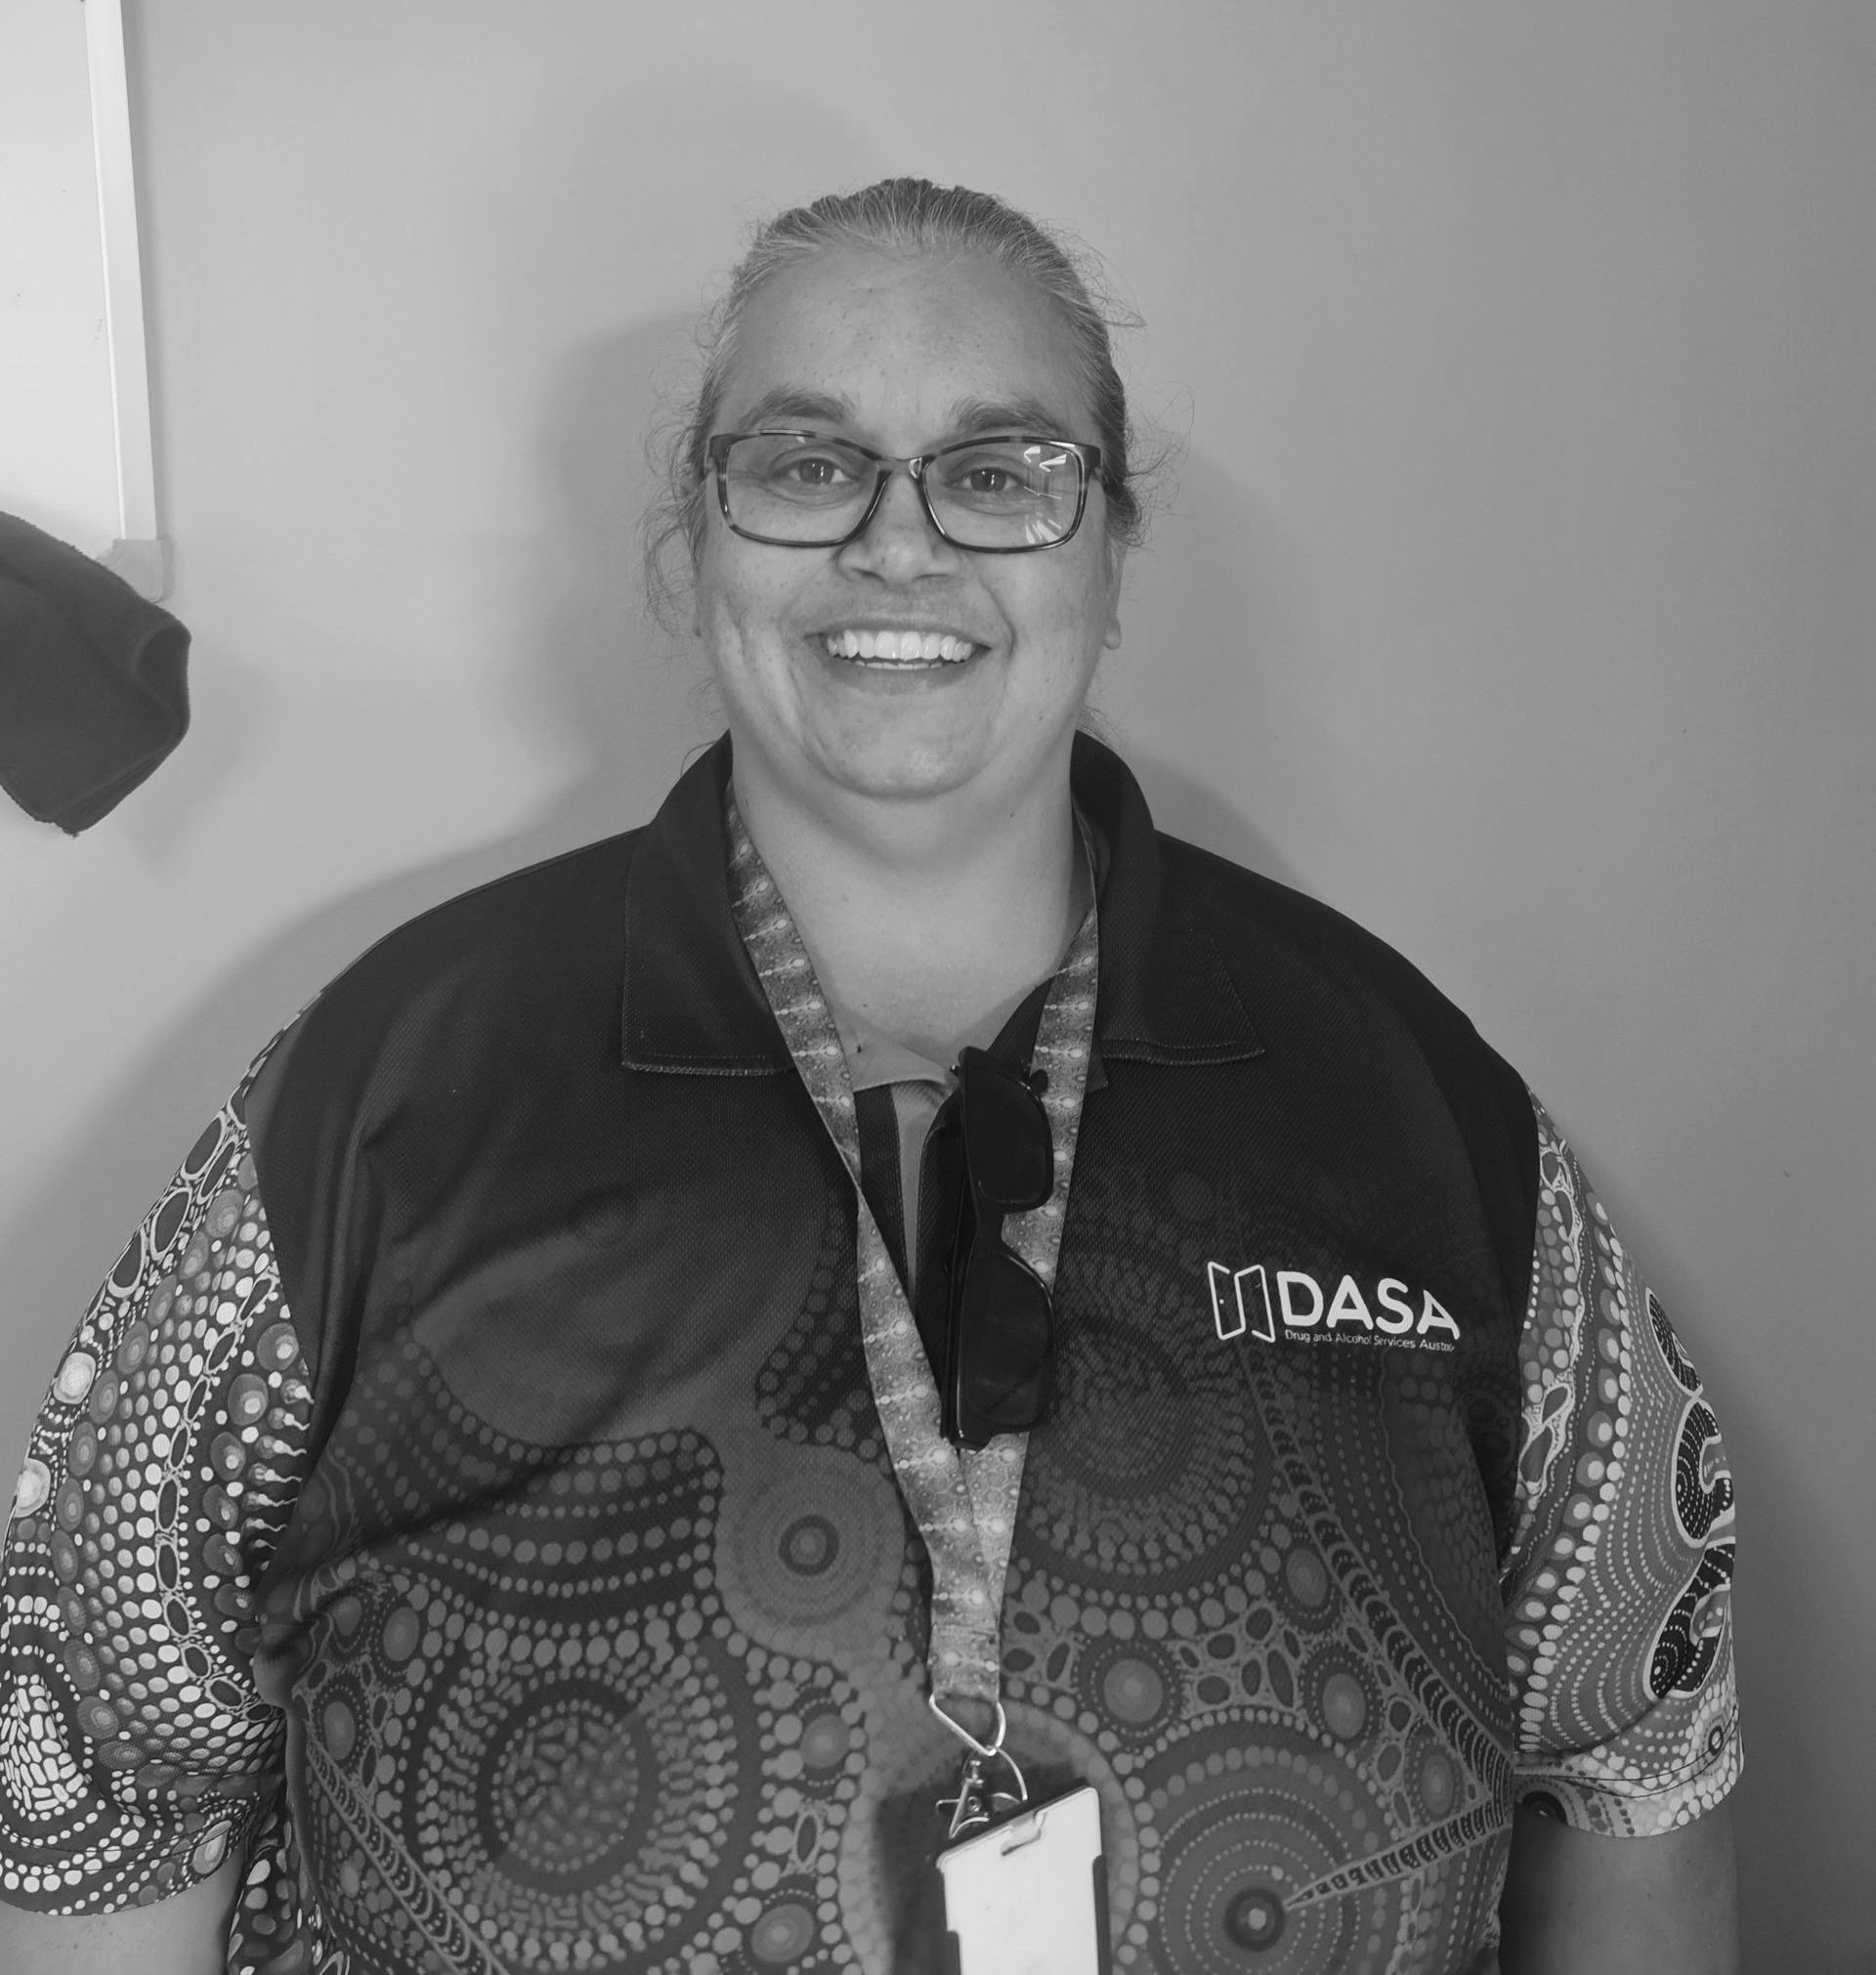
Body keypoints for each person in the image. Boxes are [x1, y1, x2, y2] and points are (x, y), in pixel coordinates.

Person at [0, 179, 1737, 1974]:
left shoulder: (1414, 1101)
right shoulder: (381, 1092)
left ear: (1108, 550)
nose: (899, 546)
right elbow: (93, 1771)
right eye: (808, 462)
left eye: (999, 470)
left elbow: (1642, 1741)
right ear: (700, 538)